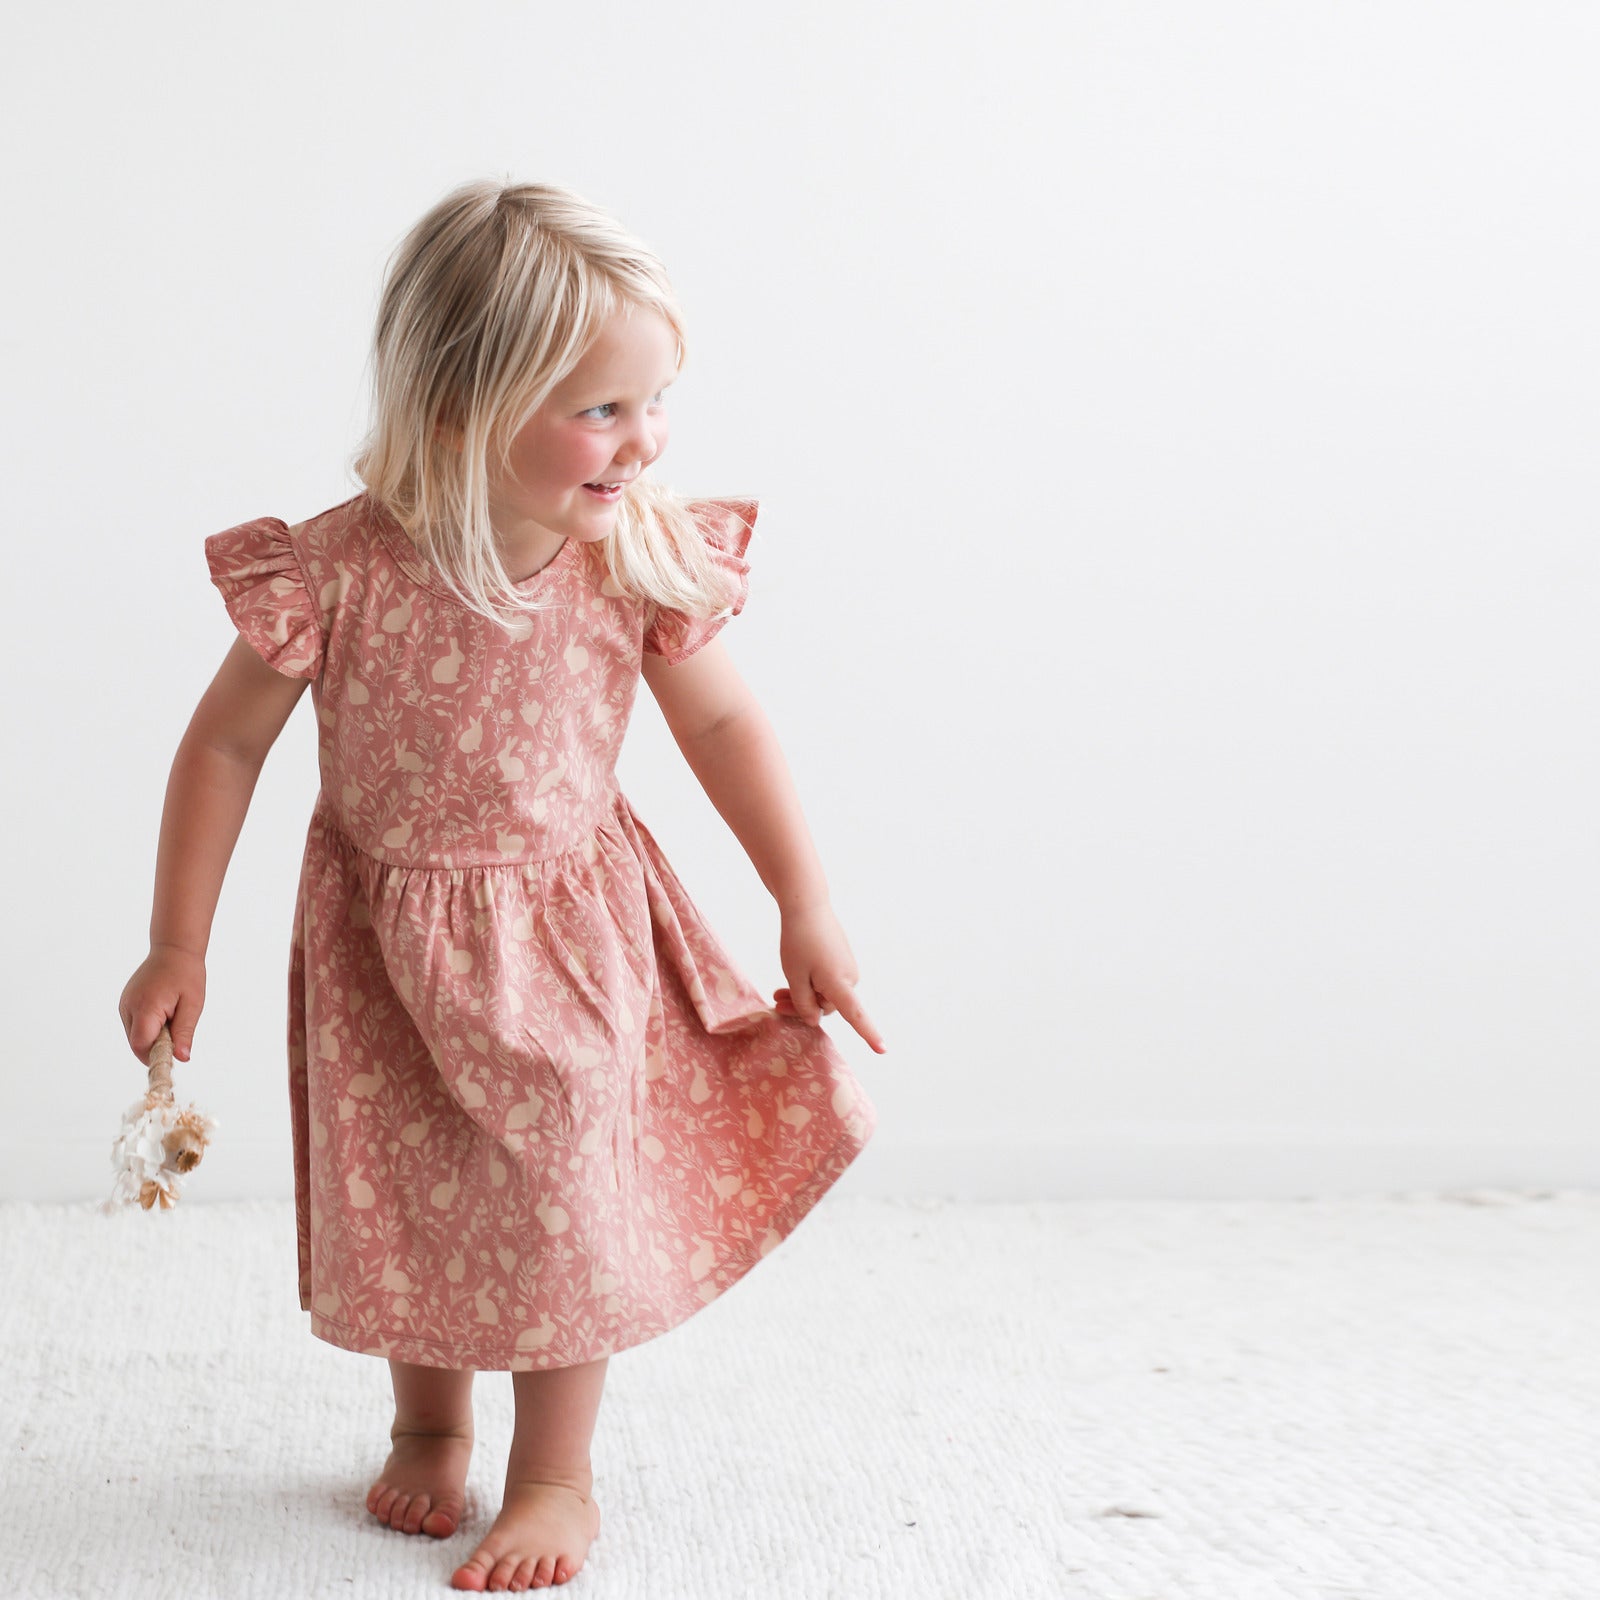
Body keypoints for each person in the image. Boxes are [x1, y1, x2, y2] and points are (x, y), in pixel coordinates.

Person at [116, 178, 883, 1593]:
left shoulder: (627, 554)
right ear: (461, 404)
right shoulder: (338, 571)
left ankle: (553, 1473)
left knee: (557, 1188)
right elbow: (224, 742)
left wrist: (804, 901)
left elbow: (724, 725)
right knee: (409, 1175)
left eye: (657, 403)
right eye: (601, 409)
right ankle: (426, 1421)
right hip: (381, 933)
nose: (644, 441)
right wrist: (179, 940)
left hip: (570, 934)